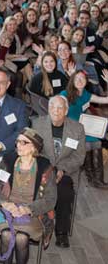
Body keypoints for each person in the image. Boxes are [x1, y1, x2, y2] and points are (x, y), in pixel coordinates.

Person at [0, 128, 57, 264]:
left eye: (24, 142)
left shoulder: (45, 168)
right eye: (17, 141)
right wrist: (4, 203)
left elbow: (50, 199)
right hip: (7, 208)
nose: (18, 145)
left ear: (34, 148)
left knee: (21, 237)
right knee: (7, 235)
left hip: (32, 212)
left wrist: (29, 208)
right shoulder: (9, 160)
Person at [31, 95, 85, 248]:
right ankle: (38, 227)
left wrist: (62, 169)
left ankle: (61, 232)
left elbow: (79, 156)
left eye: (60, 107)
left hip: (66, 172)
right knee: (39, 187)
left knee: (64, 191)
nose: (56, 110)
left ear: (66, 110)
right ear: (48, 109)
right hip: (42, 170)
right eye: (52, 107)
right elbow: (34, 151)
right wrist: (49, 170)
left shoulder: (77, 129)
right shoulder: (37, 124)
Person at [61, 70, 108, 188]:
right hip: (70, 128)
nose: (80, 81)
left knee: (96, 142)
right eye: (77, 78)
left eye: (82, 78)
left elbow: (106, 100)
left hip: (83, 127)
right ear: (72, 81)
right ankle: (89, 175)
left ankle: (97, 179)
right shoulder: (65, 94)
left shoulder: (87, 95)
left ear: (86, 81)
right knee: (87, 144)